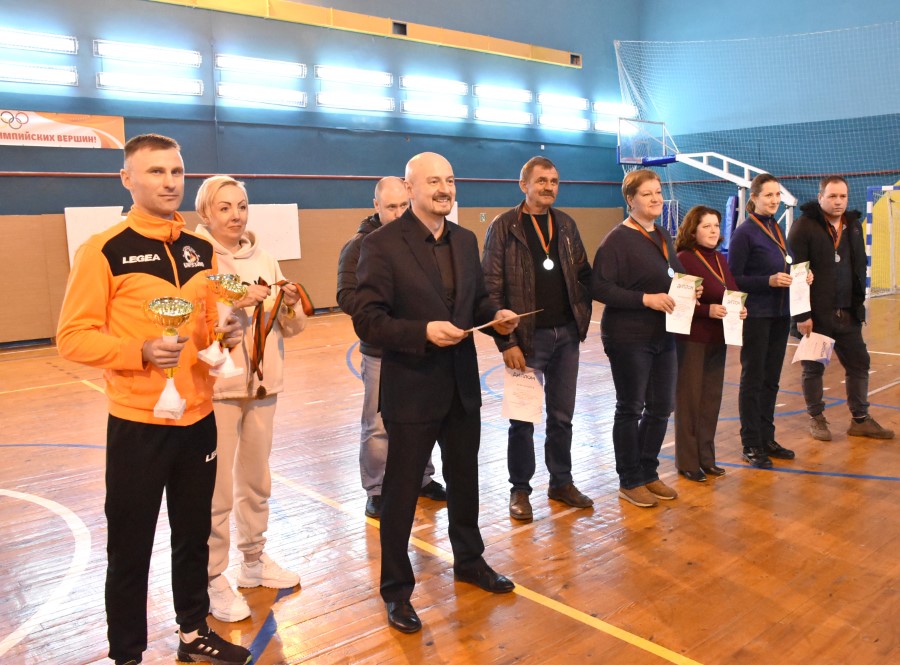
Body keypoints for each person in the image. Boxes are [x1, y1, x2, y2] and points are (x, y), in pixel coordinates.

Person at [56, 135, 252, 665]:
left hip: (199, 419)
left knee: (193, 537)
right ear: (127, 179)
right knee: (130, 546)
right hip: (138, 425)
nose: (169, 182)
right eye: (156, 171)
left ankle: (193, 634)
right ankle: (127, 654)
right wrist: (139, 350)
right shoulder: (102, 250)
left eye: (177, 171)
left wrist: (227, 337)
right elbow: (71, 338)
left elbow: (209, 326)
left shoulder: (201, 250)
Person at [353, 152, 520, 634]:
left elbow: (477, 301)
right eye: (433, 181)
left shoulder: (465, 240)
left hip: (461, 386)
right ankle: (396, 590)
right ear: (410, 189)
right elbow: (368, 319)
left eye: (449, 179)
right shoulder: (381, 245)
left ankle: (469, 560)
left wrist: (497, 319)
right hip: (411, 388)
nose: (444, 188)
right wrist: (423, 331)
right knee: (401, 493)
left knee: (465, 480)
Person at [193, 175, 309, 623]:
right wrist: (237, 302)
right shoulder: (197, 258)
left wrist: (289, 303)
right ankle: (211, 577)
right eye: (224, 207)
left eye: (241, 206)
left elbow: (291, 328)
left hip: (263, 385)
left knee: (257, 481)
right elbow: (196, 322)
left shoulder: (265, 258)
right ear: (206, 213)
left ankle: (254, 561)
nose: (235, 215)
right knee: (217, 489)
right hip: (218, 389)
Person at [481, 156, 593, 521]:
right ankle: (520, 489)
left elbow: (583, 274)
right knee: (522, 419)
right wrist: (507, 343)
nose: (548, 187)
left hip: (567, 337)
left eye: (554, 181)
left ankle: (561, 481)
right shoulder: (503, 227)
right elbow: (490, 289)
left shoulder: (566, 224)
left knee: (562, 417)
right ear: (524, 184)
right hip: (526, 341)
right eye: (541, 180)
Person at [336, 177, 447, 519]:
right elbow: (347, 296)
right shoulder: (359, 246)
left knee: (422, 417)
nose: (399, 213)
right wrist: (386, 314)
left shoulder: (423, 239)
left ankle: (422, 478)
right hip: (381, 352)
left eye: (403, 205)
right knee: (378, 424)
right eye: (391, 207)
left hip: (420, 347)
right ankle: (377, 488)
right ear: (376, 206)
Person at [591, 169, 687, 508]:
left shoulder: (662, 234)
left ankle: (648, 472)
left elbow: (674, 275)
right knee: (631, 407)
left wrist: (688, 291)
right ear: (630, 199)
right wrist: (646, 299)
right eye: (647, 194)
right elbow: (599, 287)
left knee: (662, 406)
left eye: (658, 192)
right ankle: (629, 480)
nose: (656, 198)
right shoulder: (616, 240)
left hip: (663, 333)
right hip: (628, 336)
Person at [788, 176, 894, 441]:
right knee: (813, 368)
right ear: (820, 197)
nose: (838, 202)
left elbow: (858, 268)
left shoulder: (853, 225)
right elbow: (796, 274)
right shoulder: (804, 227)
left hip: (847, 314)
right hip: (816, 317)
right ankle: (816, 418)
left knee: (860, 363)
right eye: (832, 196)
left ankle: (860, 419)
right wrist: (803, 315)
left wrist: (858, 307)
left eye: (843, 196)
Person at [728, 173, 811, 468]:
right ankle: (751, 442)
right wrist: (768, 281)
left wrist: (801, 276)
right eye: (768, 195)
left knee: (771, 379)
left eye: (777, 195)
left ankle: (767, 437)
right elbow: (734, 279)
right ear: (754, 198)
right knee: (753, 379)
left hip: (779, 314)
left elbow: (786, 264)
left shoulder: (775, 226)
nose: (774, 200)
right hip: (757, 316)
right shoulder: (744, 233)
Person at [674, 206, 747, 482]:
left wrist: (739, 308)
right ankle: (687, 462)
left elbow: (731, 290)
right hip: (692, 340)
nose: (714, 230)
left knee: (710, 401)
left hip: (718, 337)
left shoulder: (718, 258)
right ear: (693, 230)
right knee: (690, 402)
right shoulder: (684, 259)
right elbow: (679, 303)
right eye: (707, 226)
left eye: (716, 225)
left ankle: (707, 458)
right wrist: (707, 311)